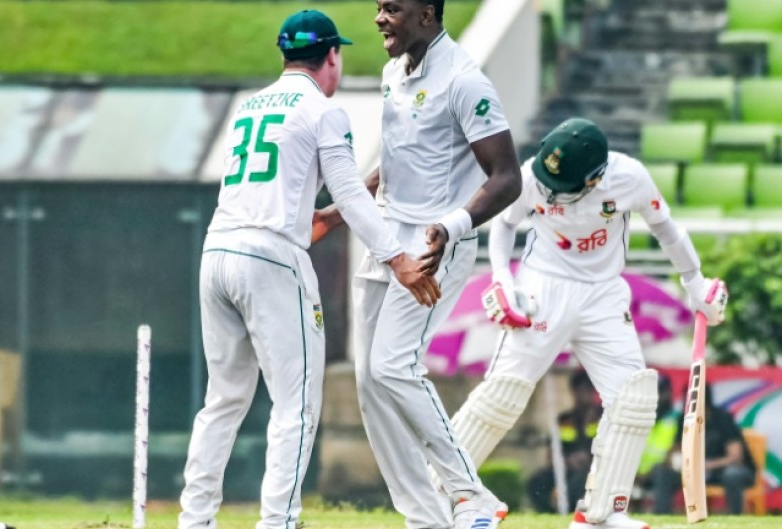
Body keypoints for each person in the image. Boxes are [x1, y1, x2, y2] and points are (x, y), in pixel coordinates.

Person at [177, 10, 441, 529]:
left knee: (223, 401)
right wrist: (398, 259)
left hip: (219, 251)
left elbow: (309, 198)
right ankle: (278, 521)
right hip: (272, 261)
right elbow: (343, 192)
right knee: (296, 406)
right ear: (331, 57)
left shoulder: (250, 106)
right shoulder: (323, 110)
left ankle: (195, 519)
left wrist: (338, 206)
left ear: (284, 56)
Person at [443, 117, 729, 529]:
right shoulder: (532, 177)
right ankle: (445, 494)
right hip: (543, 288)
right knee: (503, 393)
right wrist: (503, 281)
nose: (550, 191)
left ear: (595, 178)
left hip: (603, 293)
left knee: (634, 397)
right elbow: (503, 227)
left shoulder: (628, 178)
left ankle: (600, 513)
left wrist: (696, 283)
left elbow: (665, 227)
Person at [314, 1, 523, 527]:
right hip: (386, 236)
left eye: (393, 8)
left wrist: (451, 226)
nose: (380, 18)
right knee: (368, 380)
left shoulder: (465, 80)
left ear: (427, 14)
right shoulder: (393, 71)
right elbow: (398, 161)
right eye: (379, 7)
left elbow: (506, 177)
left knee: (392, 365)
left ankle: (471, 495)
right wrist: (340, 213)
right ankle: (424, 517)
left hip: (435, 246)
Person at [527, 370, 603, 513]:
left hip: (593, 469)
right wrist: (568, 461)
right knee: (537, 481)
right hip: (566, 467)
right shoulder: (565, 419)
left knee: (580, 480)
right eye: (579, 390)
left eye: (587, 390)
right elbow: (552, 452)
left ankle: (573, 509)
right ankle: (549, 511)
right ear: (573, 392)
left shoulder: (603, 417)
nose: (583, 395)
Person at [675, 383, 757, 515]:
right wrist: (677, 461)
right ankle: (662, 515)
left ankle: (735, 519)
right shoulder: (683, 420)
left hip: (729, 469)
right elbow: (677, 448)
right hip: (697, 471)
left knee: (732, 474)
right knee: (663, 472)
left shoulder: (722, 418)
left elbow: (736, 457)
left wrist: (707, 465)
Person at [633, 374, 682, 514]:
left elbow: (676, 451)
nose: (654, 396)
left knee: (661, 472)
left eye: (658, 391)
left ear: (667, 393)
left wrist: (647, 473)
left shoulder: (677, 418)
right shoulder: (640, 417)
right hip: (638, 472)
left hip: (670, 472)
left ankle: (662, 514)